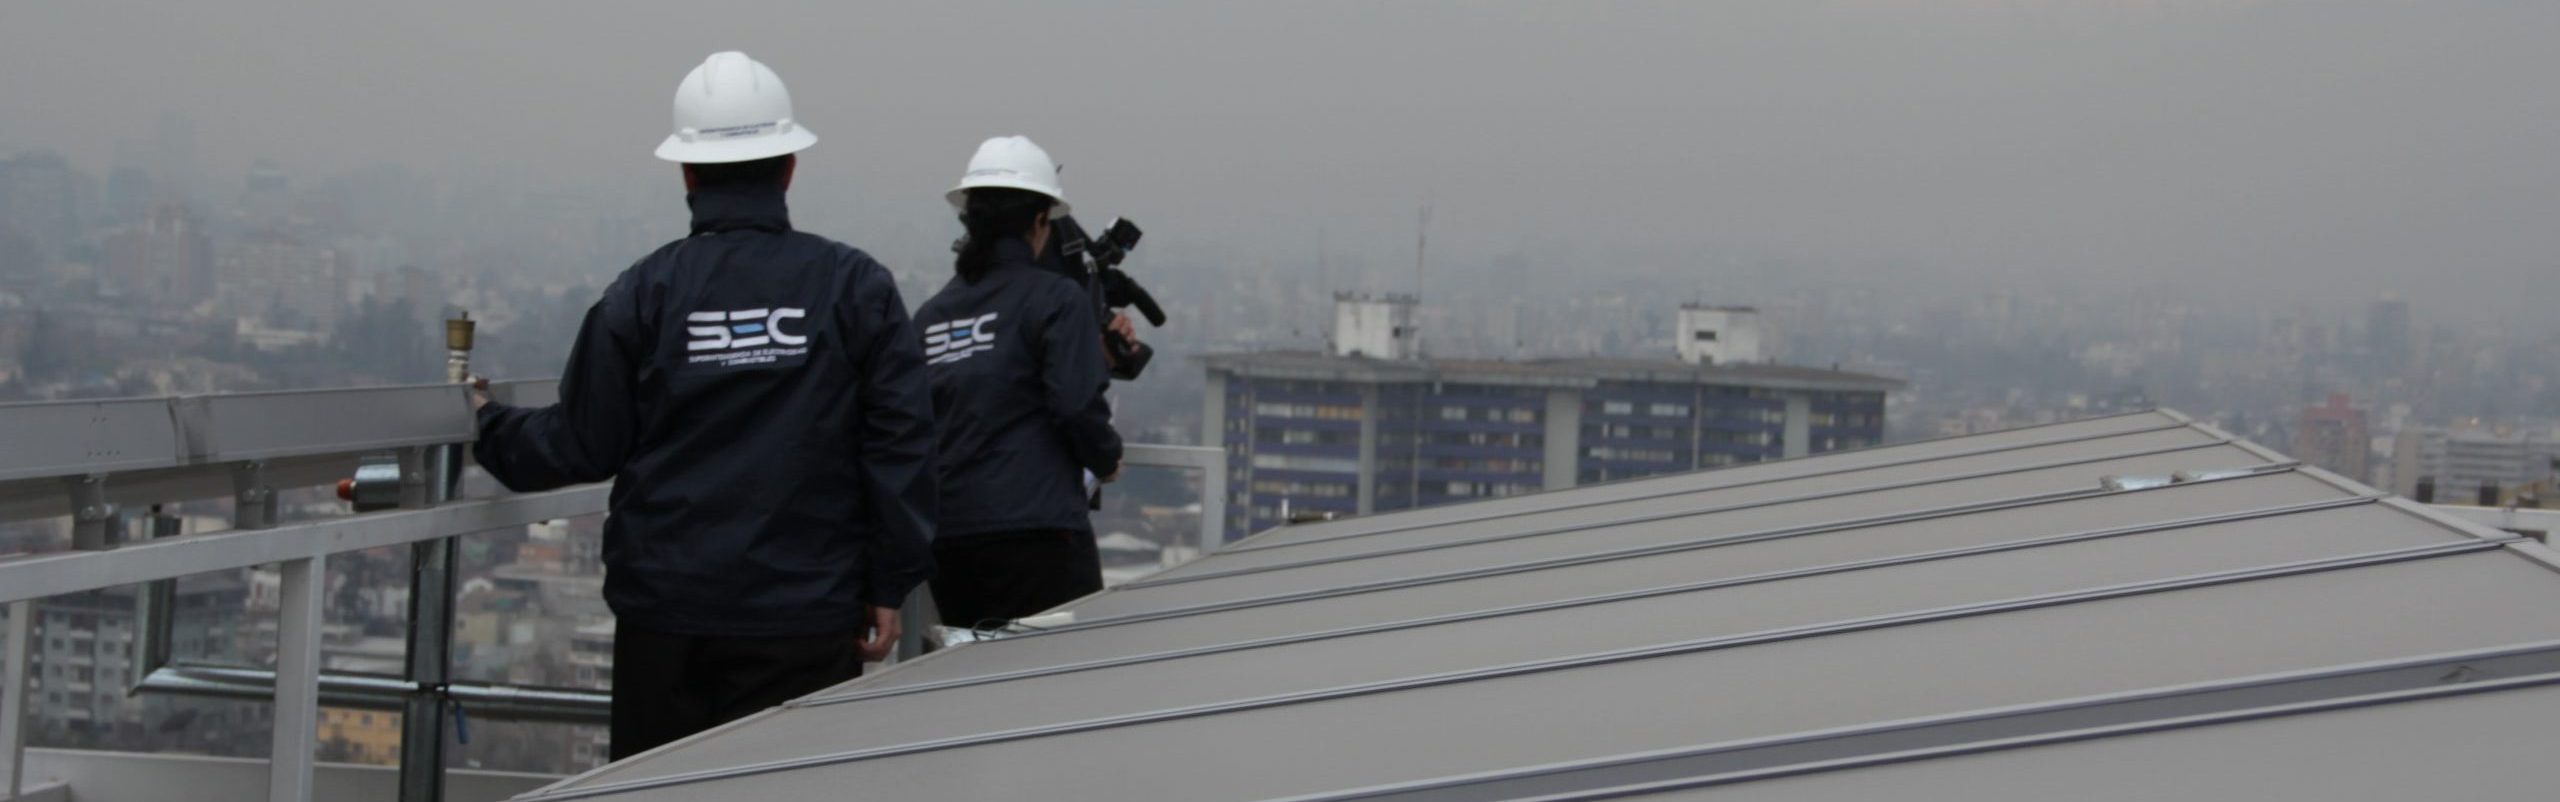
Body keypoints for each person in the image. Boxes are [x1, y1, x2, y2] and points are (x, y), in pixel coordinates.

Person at [469, 51, 936, 760]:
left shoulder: (645, 292)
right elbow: (899, 445)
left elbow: (584, 442)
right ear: (788, 165)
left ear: (686, 173)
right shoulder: (854, 286)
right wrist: (888, 582)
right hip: (804, 613)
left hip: (667, 618)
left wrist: (490, 425)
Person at [914, 136, 1123, 630]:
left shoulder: (931, 316)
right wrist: (1107, 457)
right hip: (1038, 533)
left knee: (974, 682)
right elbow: (1075, 404)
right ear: (1039, 222)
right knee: (1055, 683)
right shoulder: (1055, 297)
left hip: (950, 538)